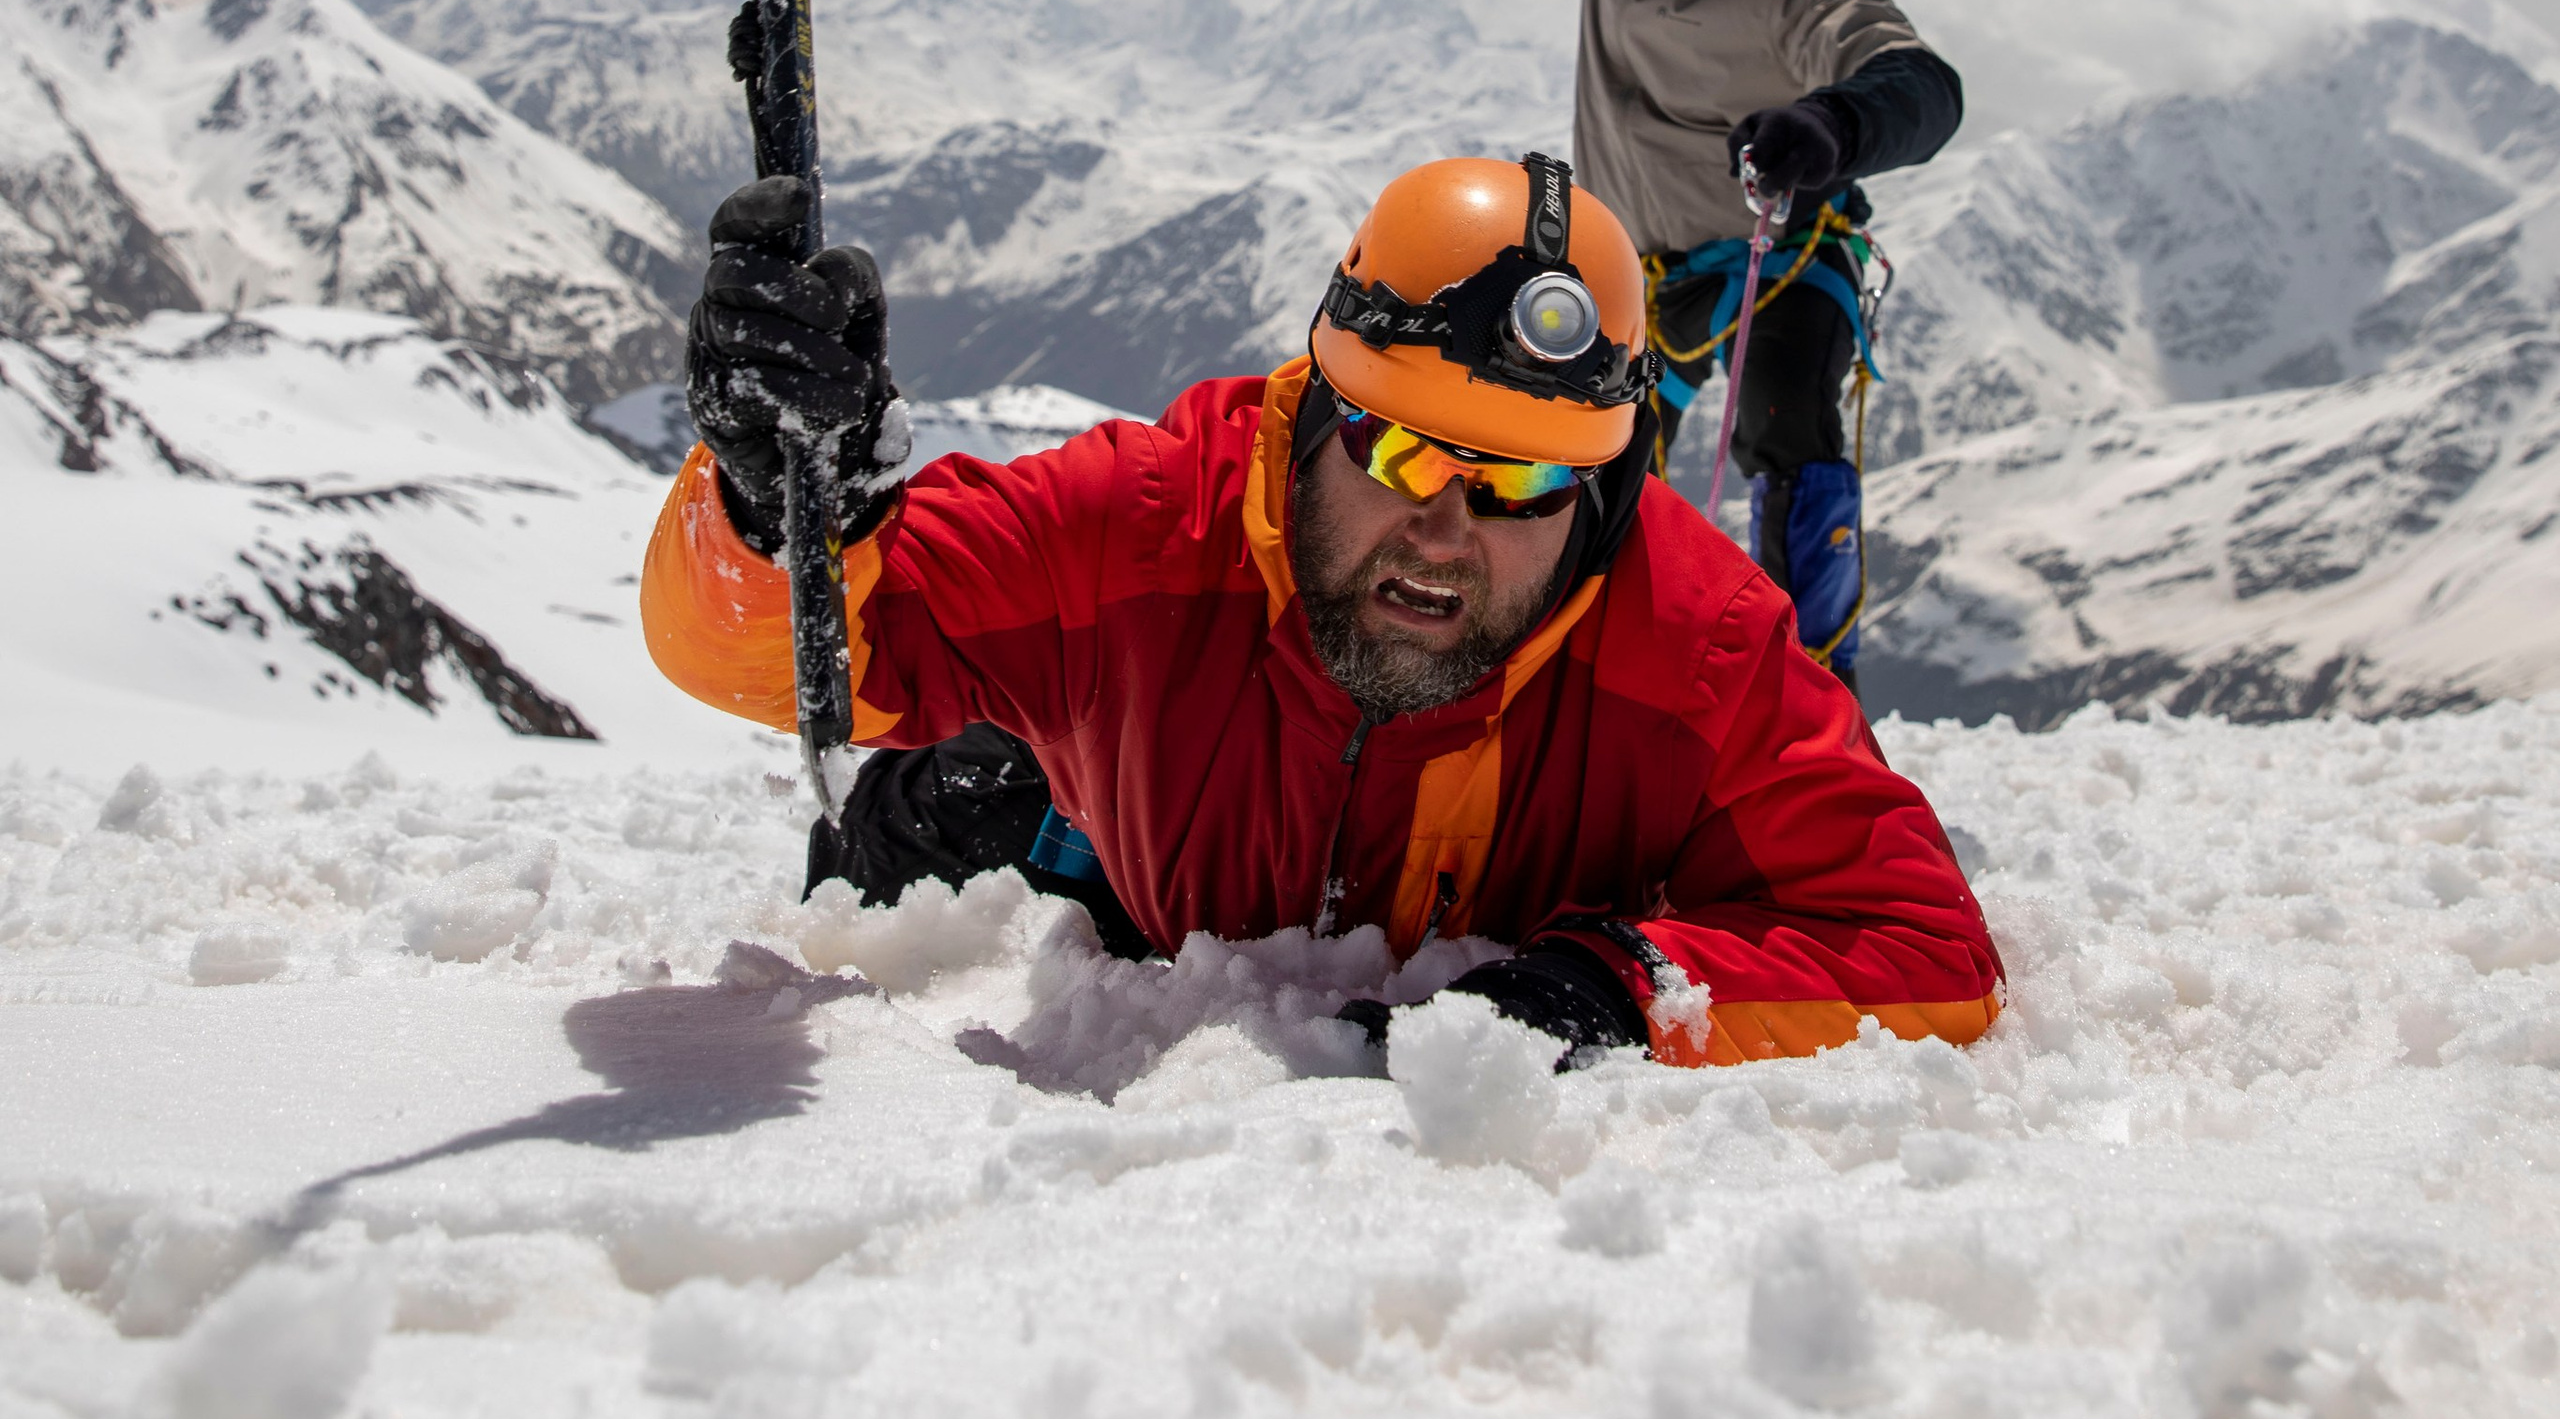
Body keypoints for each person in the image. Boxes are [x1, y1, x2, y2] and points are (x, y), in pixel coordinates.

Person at [641, 151, 2002, 1070]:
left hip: (1228, 847)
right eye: (1405, 450)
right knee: (896, 828)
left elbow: (1926, 950)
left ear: (1605, 484)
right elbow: (767, 655)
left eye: (1520, 482)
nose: (1445, 526)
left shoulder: (1693, 648)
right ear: (1318, 419)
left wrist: (1621, 986)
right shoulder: (1149, 519)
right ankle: (1029, 779)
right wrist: (774, 514)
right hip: (1130, 837)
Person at [1371, 0, 1964, 684]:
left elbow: (1923, 87)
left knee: (1790, 433)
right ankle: (1573, 679)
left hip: (1785, 247)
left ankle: (1815, 701)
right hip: (1632, 268)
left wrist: (1829, 124)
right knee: (1591, 467)